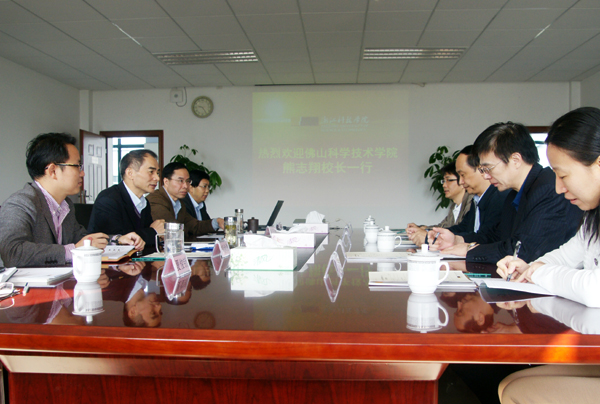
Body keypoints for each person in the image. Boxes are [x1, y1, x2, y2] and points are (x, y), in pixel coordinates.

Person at [429, 122, 582, 263]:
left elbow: (523, 250)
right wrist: (457, 240)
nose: (485, 176)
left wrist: (470, 250)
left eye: (488, 168)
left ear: (515, 160)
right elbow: (496, 237)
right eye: (482, 170)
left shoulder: (548, 189)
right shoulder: (513, 194)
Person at [497, 107, 600, 308]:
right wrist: (529, 268)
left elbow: (595, 290)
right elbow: (565, 256)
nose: (558, 188)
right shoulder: (592, 216)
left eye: (563, 176)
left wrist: (538, 272)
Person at [0, 133, 144, 267]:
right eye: (77, 166)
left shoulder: (65, 204)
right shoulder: (21, 203)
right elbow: (12, 253)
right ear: (53, 171)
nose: (83, 173)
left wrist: (117, 240)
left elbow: (82, 238)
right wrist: (73, 250)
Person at [88, 149, 165, 246]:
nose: (157, 178)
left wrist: (159, 234)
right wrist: (153, 231)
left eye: (157, 173)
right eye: (151, 172)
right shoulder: (108, 200)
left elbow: (145, 240)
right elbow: (119, 241)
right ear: (130, 173)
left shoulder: (144, 202)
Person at [146, 162, 223, 240]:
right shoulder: (155, 200)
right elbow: (173, 230)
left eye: (187, 181)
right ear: (166, 181)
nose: (186, 186)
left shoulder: (179, 203)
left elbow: (194, 226)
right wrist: (187, 229)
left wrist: (217, 222)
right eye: (180, 181)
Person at [406, 161, 473, 246]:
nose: (444, 185)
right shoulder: (454, 206)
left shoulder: (471, 202)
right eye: (444, 181)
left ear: (462, 180)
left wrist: (427, 234)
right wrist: (421, 228)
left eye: (449, 180)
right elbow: (444, 226)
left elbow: (464, 231)